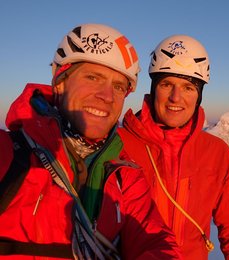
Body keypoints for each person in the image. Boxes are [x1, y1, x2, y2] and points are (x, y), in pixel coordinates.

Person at [0, 23, 182, 259]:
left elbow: (156, 239)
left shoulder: (124, 175)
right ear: (60, 81)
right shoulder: (10, 154)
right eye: (93, 77)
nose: (107, 96)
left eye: (118, 86)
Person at [118, 35, 229, 259]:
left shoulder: (216, 153)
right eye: (166, 84)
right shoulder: (120, 144)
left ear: (199, 95)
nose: (175, 97)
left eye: (188, 87)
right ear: (153, 89)